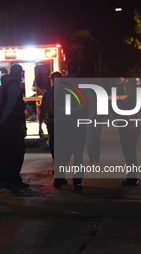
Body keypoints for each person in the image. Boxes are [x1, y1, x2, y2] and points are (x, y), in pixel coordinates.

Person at [54, 59, 88, 191]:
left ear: (67, 68)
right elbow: (91, 103)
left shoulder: (59, 83)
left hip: (63, 120)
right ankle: (77, 181)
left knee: (62, 149)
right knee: (78, 151)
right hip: (78, 119)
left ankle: (59, 178)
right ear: (78, 69)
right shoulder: (83, 83)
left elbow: (52, 101)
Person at [0, 64, 28, 190]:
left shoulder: (6, 85)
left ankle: (7, 177)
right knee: (17, 151)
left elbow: (0, 101)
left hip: (8, 122)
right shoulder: (14, 85)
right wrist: (4, 117)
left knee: (8, 150)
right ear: (20, 73)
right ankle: (13, 177)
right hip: (12, 122)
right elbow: (10, 104)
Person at [115, 77, 141, 186]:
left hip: (130, 129)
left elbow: (134, 115)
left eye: (129, 85)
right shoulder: (128, 98)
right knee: (127, 153)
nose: (126, 87)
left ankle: (132, 178)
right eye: (125, 85)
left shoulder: (134, 99)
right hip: (126, 128)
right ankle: (130, 176)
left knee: (130, 153)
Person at [38, 71, 63, 159]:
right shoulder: (68, 92)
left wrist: (40, 125)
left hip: (52, 122)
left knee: (54, 143)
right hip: (64, 122)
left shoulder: (47, 95)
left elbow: (44, 110)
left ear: (51, 80)